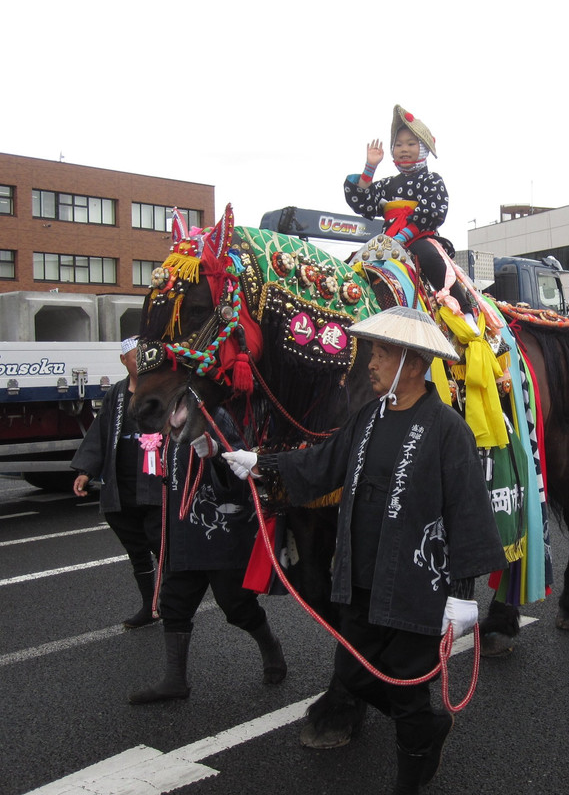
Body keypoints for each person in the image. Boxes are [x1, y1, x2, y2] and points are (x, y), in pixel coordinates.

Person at [222, 306, 506, 795]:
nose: (369, 364)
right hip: (359, 579)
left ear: (414, 364)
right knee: (354, 674)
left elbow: (468, 514)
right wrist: (261, 463)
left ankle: (410, 776)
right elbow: (322, 463)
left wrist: (463, 593)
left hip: (417, 584)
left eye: (381, 354)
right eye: (371, 353)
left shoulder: (446, 429)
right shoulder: (367, 419)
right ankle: (425, 727)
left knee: (409, 690)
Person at [127, 411, 287, 704]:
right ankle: (175, 679)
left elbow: (241, 466)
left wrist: (216, 453)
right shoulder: (166, 416)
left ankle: (270, 645)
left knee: (236, 604)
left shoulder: (216, 414)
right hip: (182, 528)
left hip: (221, 530)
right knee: (174, 602)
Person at [71, 336, 163, 629]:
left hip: (155, 485)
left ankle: (174, 605)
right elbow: (100, 432)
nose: (143, 363)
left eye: (147, 357)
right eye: (137, 357)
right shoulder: (117, 394)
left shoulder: (164, 389)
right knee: (137, 550)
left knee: (163, 547)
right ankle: (149, 607)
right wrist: (85, 470)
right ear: (124, 361)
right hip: (122, 485)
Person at [344, 105, 471, 315]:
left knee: (429, 256)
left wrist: (405, 235)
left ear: (423, 148)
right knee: (354, 262)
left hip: (418, 236)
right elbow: (364, 203)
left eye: (411, 143)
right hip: (389, 239)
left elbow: (433, 210)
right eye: (399, 144)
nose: (404, 148)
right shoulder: (388, 184)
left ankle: (464, 310)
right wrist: (370, 168)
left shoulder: (431, 180)